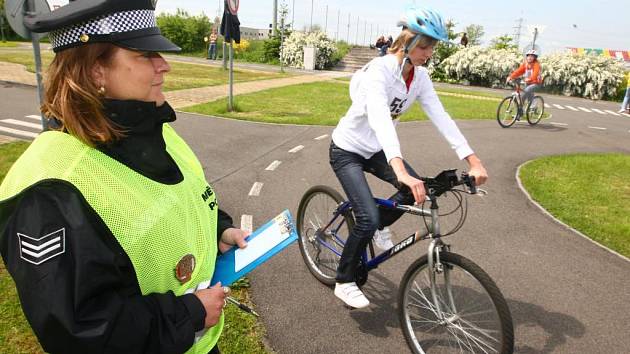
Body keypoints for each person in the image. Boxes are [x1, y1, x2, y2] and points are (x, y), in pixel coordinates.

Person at [0, 0, 249, 353]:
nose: (164, 65)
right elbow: (80, 331)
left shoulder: (155, 130)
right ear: (95, 72)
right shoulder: (50, 190)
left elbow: (182, 200)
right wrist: (188, 313)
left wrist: (218, 229)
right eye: (146, 55)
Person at [329, 5, 488, 309]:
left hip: (376, 150)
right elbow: (380, 118)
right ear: (409, 40)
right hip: (347, 150)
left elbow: (442, 118)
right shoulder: (380, 71)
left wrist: (472, 160)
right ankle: (344, 279)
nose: (429, 53)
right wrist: (399, 167)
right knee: (367, 217)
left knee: (418, 189)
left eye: (433, 47)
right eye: (425, 45)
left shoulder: (420, 78)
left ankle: (379, 226)